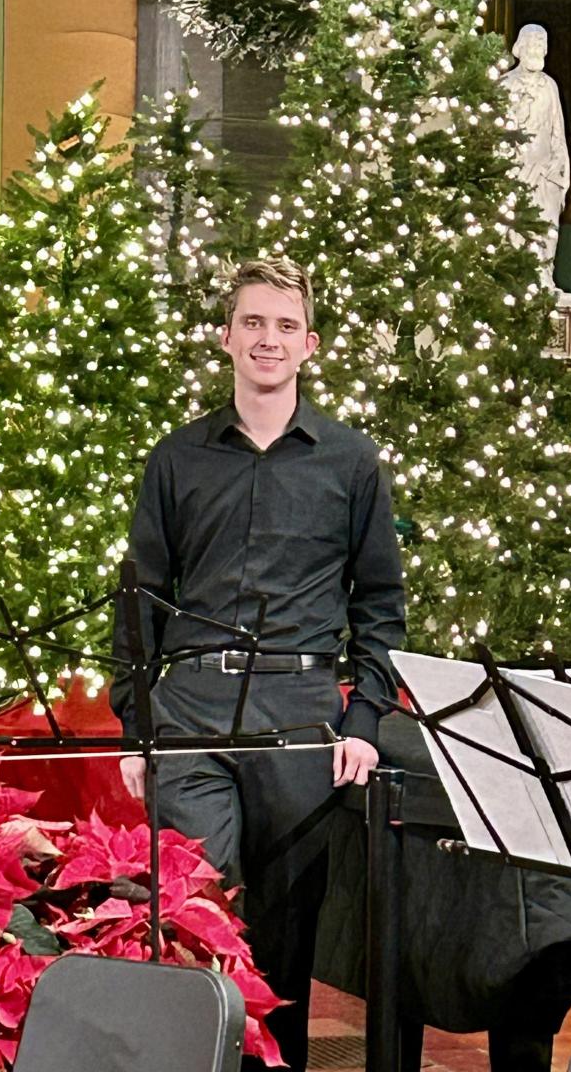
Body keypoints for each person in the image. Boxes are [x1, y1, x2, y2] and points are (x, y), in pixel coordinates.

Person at [111, 256, 405, 1071]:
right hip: (190, 715)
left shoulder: (350, 462)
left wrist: (365, 719)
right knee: (202, 919)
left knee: (283, 940)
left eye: (283, 325)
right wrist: (137, 728)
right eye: (252, 322)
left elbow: (381, 604)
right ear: (226, 337)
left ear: (308, 344)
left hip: (300, 715)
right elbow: (138, 597)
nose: (266, 339)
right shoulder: (176, 458)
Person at [500, 23, 570, 297]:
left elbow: (557, 130)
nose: (537, 49)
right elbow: (498, 132)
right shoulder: (505, 85)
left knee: (546, 226)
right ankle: (515, 278)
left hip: (545, 174)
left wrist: (557, 167)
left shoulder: (549, 86)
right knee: (514, 228)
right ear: (520, 48)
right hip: (515, 171)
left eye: (541, 45)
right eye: (532, 45)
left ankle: (543, 278)